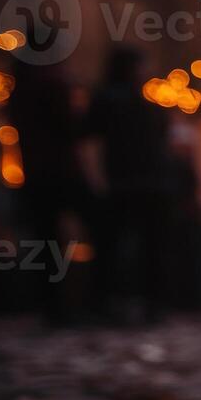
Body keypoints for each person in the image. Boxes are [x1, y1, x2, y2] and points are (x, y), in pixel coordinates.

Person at [86, 47, 174, 323]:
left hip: (129, 182)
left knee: (116, 247)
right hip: (135, 182)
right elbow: (93, 142)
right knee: (145, 247)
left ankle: (111, 302)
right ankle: (146, 303)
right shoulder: (122, 102)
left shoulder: (113, 100)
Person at [8, 61, 90, 324]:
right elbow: (71, 128)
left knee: (45, 239)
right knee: (75, 233)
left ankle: (51, 304)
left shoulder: (21, 89)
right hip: (60, 173)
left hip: (36, 174)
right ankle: (76, 302)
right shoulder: (52, 85)